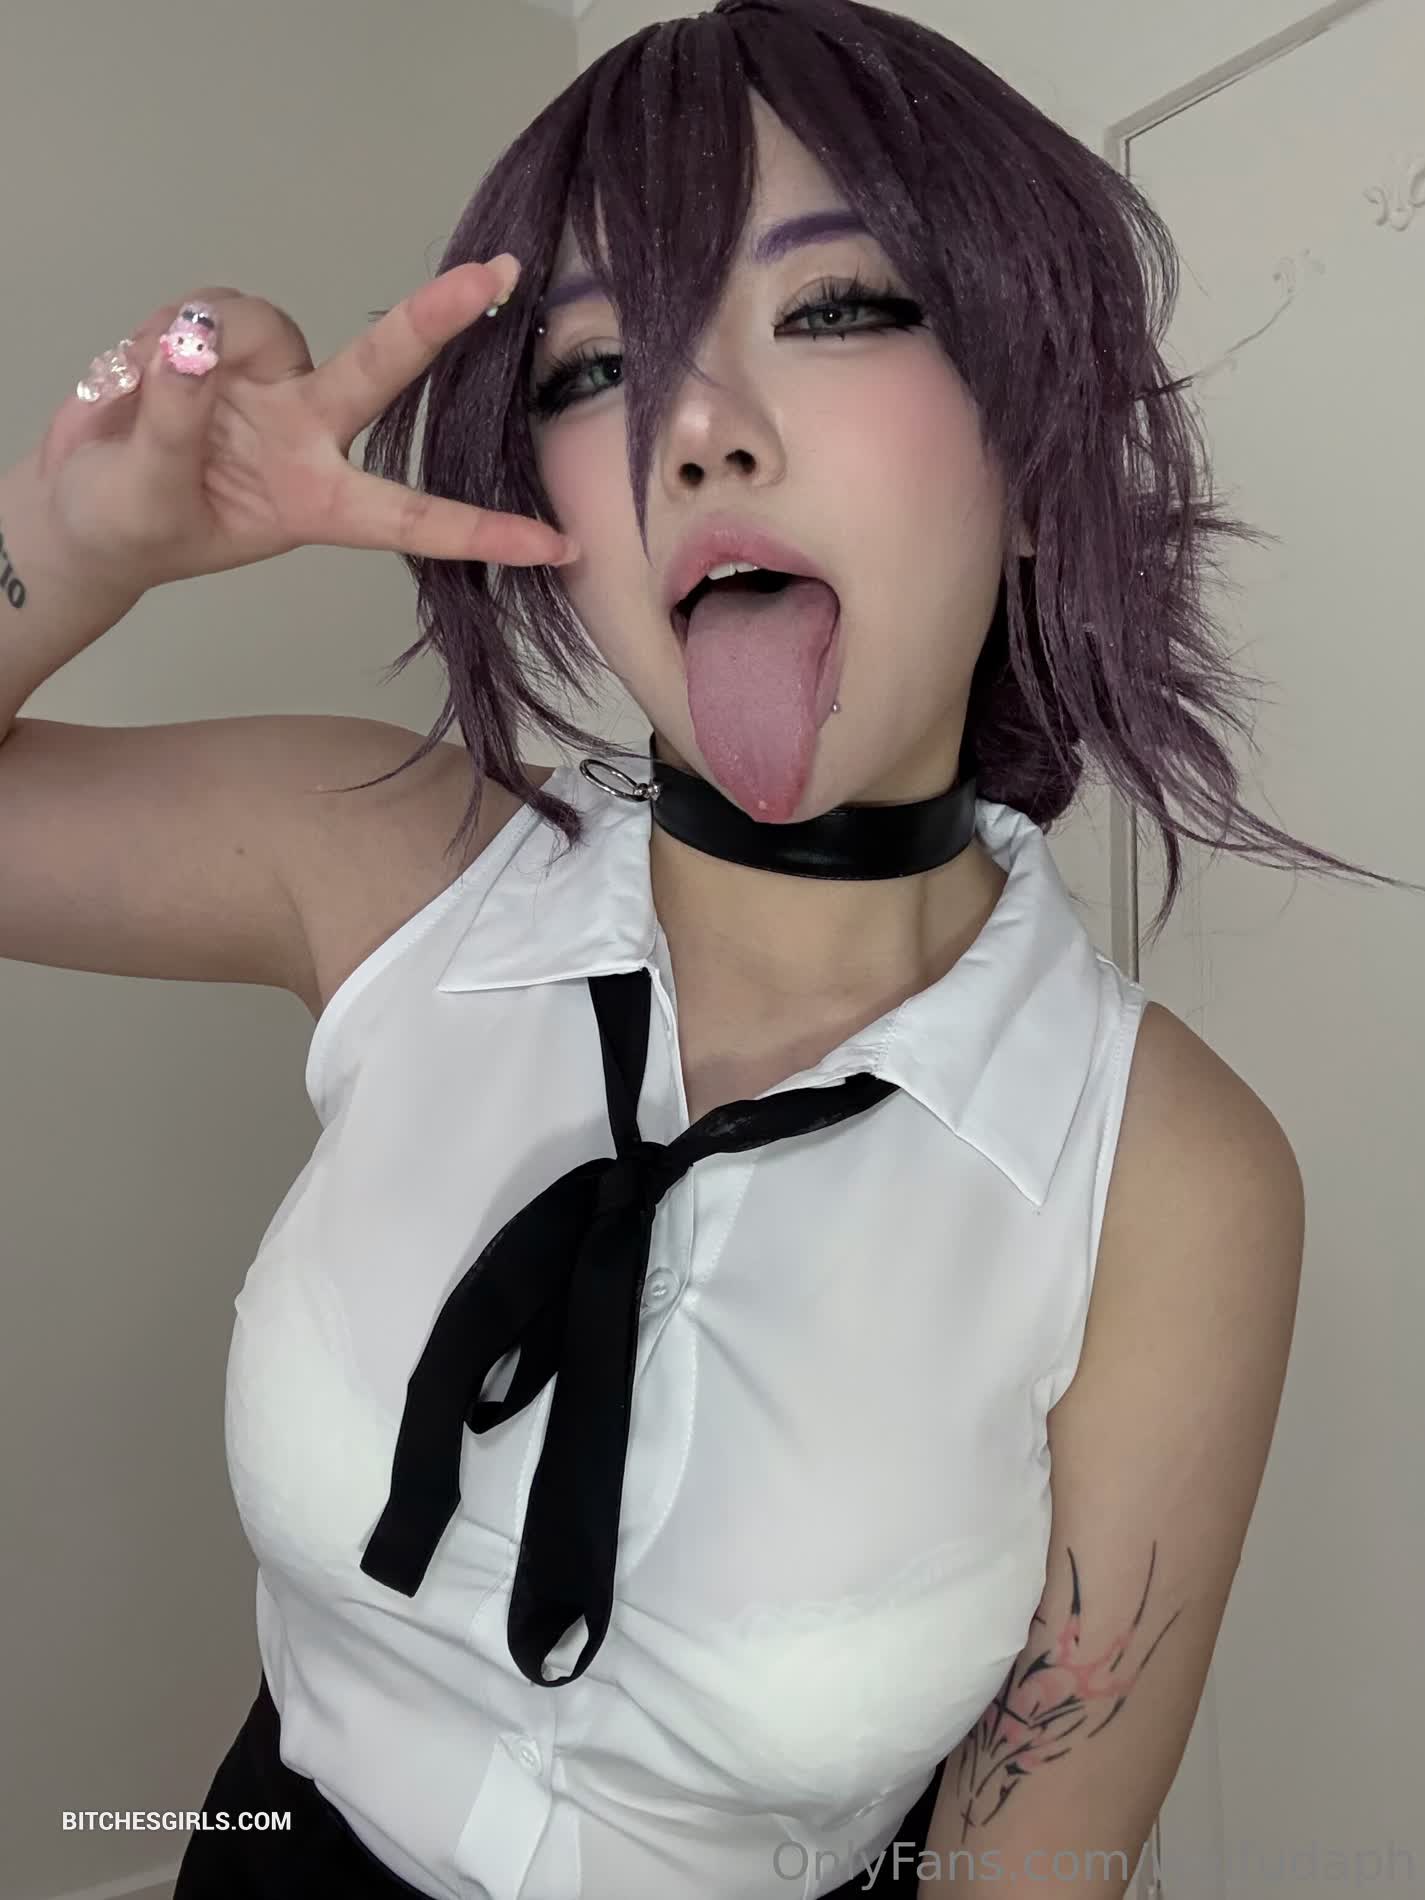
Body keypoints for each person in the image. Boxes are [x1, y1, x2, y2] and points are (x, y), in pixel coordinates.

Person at [16, 0, 1412, 1892]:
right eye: (594, 365)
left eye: (834, 307)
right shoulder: (391, 862)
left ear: (1032, 443)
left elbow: (1026, 1864)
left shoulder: (1167, 1177)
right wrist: (69, 550)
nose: (693, 428)